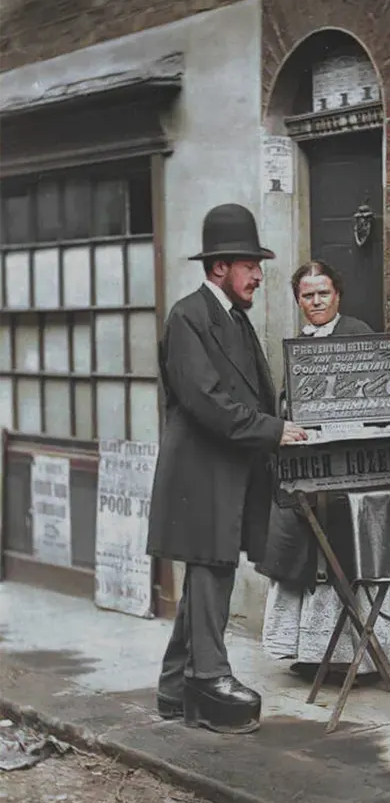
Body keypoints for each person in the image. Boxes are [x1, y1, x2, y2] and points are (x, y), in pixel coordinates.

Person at [146, 203, 307, 735]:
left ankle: (175, 687)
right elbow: (207, 401)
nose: (260, 275)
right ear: (220, 268)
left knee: (209, 570)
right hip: (202, 471)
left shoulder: (232, 318)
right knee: (210, 569)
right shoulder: (189, 316)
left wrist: (278, 426)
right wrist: (273, 430)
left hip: (228, 471)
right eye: (249, 264)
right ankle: (207, 677)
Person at [258, 260, 390, 681]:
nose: (315, 301)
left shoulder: (357, 336)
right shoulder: (298, 344)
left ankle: (359, 658)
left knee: (348, 557)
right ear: (298, 300)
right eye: (307, 295)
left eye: (323, 293)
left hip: (350, 472)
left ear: (337, 296)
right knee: (308, 556)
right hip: (310, 467)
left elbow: (378, 393)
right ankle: (312, 654)